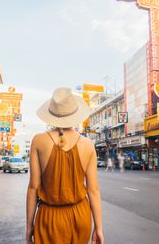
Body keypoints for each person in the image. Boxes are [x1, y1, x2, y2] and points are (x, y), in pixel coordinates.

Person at [26, 87, 103, 244]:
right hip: (81, 217)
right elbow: (93, 191)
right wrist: (99, 228)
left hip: (48, 218)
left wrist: (29, 226)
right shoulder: (88, 145)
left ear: (52, 114)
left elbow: (33, 188)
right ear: (75, 115)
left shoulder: (38, 141)